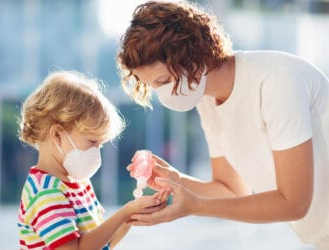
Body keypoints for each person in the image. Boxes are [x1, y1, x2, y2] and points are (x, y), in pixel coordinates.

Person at [116, 1, 329, 249]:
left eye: (163, 81)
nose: (163, 96)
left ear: (192, 56)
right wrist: (176, 180)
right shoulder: (206, 98)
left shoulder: (276, 81)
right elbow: (230, 190)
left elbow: (294, 203)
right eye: (154, 87)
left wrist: (196, 206)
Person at [17, 71, 169, 249]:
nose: (96, 153)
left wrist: (130, 216)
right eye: (92, 142)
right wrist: (125, 212)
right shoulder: (46, 192)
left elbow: (102, 243)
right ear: (57, 135)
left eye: (100, 145)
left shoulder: (79, 183)